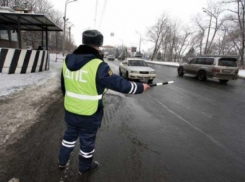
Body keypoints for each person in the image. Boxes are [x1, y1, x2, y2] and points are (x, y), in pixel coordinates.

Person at [58, 30, 150, 175]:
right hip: (90, 112)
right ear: (99, 45)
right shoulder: (98, 65)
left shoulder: (67, 60)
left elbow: (63, 85)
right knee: (87, 143)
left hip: (70, 109)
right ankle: (84, 168)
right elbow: (121, 85)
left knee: (68, 138)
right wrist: (140, 87)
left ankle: (62, 162)